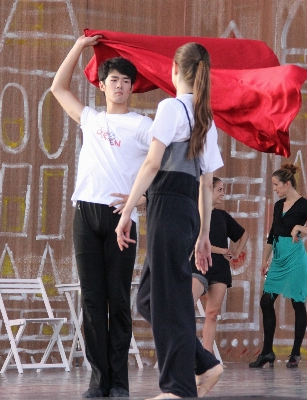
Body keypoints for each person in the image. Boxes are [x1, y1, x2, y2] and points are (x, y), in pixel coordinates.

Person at [115, 42, 224, 399]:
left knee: (169, 298)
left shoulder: (171, 108)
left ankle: (177, 388)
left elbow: (152, 163)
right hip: (186, 210)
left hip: (168, 206)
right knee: (150, 300)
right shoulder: (205, 117)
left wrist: (129, 208)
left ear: (175, 70)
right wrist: (203, 233)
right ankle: (204, 362)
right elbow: (206, 182)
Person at [50, 35, 153, 398]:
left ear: (132, 87)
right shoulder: (90, 118)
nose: (120, 86)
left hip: (121, 219)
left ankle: (119, 380)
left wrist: (140, 200)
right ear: (102, 84)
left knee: (118, 300)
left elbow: (164, 166)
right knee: (92, 301)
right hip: (85, 215)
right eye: (114, 80)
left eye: (126, 81)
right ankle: (99, 379)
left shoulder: (143, 125)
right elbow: (57, 87)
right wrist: (79, 47)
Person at [248, 164, 307, 369]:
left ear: (287, 183)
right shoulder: (278, 205)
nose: (274, 189)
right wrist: (265, 259)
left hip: (295, 258)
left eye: (276, 185)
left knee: (297, 303)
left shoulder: (303, 204)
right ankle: (267, 352)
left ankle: (296, 352)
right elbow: (272, 233)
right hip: (279, 258)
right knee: (266, 301)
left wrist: (300, 227)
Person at [192, 177, 249, 353]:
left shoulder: (223, 216)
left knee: (212, 314)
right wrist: (223, 250)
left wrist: (236, 252)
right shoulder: (195, 213)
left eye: (223, 190)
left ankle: (207, 353)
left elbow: (243, 234)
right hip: (198, 266)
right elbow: (196, 241)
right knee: (186, 308)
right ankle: (186, 351)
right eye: (219, 190)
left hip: (220, 269)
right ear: (208, 190)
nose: (223, 194)